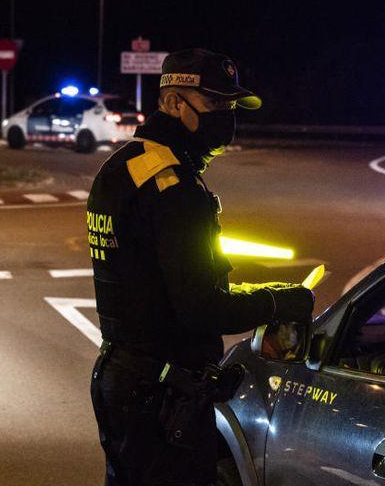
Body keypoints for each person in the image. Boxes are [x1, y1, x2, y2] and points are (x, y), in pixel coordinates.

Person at [87, 49, 315, 485]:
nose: (226, 117)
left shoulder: (121, 167)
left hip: (120, 377)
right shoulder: (175, 188)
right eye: (215, 105)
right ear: (175, 102)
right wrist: (281, 301)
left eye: (230, 106)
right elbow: (200, 308)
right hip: (163, 395)